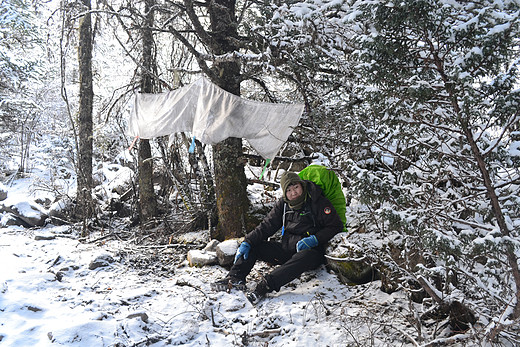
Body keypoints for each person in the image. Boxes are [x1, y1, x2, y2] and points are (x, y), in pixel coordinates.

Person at [212, 171, 344, 304]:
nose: (294, 193)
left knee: (305, 257)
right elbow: (267, 225)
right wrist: (247, 241)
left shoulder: (317, 201)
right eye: (289, 190)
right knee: (255, 245)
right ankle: (235, 278)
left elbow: (335, 226)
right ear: (284, 193)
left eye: (296, 187)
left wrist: (315, 239)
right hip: (287, 248)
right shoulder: (284, 204)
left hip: (311, 253)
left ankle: (266, 285)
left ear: (302, 186)